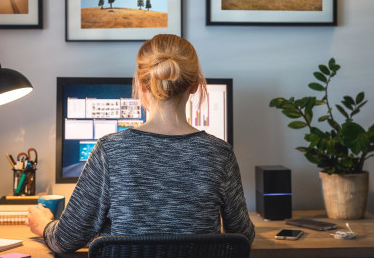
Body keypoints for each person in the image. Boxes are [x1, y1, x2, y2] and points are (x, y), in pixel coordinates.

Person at [27, 34, 255, 254]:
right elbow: (243, 236)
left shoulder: (110, 150)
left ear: (142, 85)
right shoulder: (220, 153)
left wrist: (45, 225)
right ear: (195, 85)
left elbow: (66, 239)